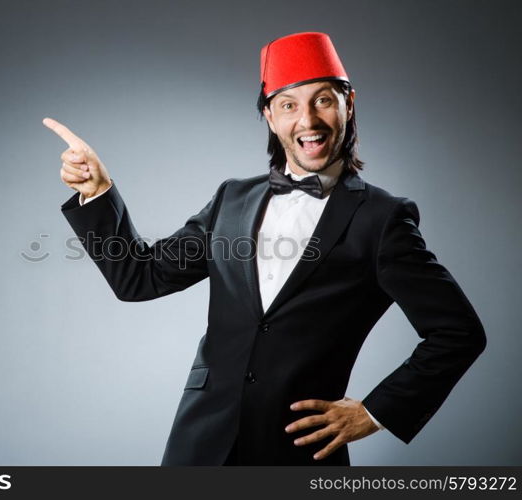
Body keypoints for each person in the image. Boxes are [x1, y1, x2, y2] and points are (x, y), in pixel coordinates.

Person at [45, 32, 486, 465]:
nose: (308, 121)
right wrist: (98, 192)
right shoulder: (231, 200)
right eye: (289, 105)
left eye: (324, 100)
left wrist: (374, 413)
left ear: (349, 106)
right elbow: (139, 278)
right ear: (270, 118)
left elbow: (458, 333)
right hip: (201, 443)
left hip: (297, 450)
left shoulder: (383, 219)